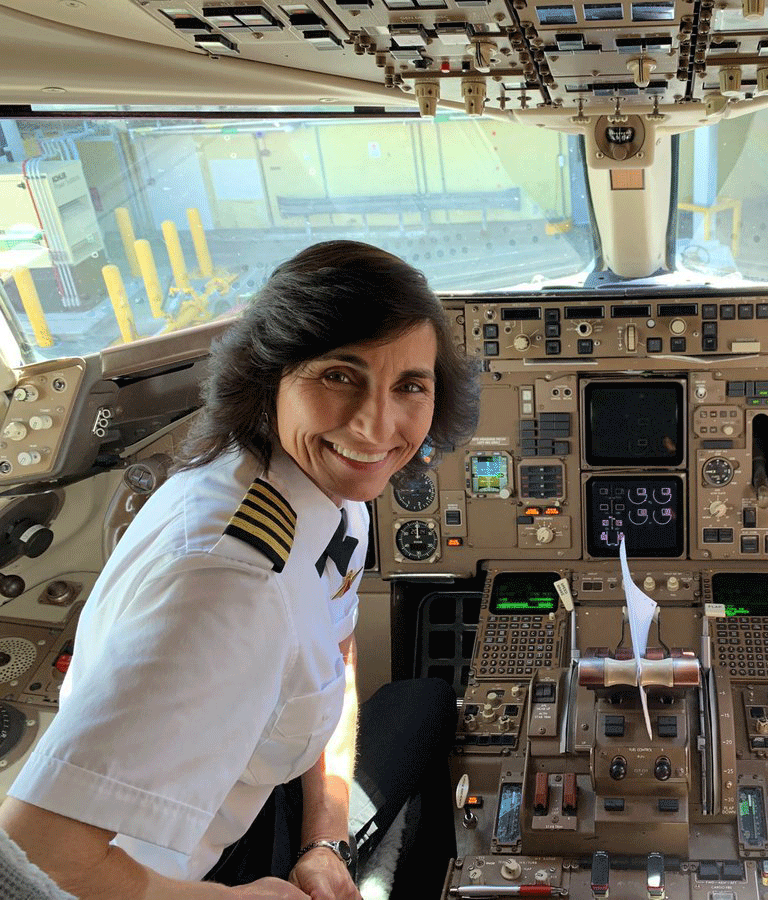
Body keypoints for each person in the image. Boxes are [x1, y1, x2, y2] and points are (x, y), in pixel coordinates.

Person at [0, 240, 481, 900]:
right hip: (165, 873)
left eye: (409, 386)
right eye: (340, 375)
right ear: (269, 376)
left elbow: (331, 652)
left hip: (263, 792)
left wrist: (323, 841)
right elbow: (40, 855)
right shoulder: (230, 585)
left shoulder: (324, 489)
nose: (376, 428)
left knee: (424, 699)